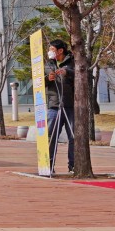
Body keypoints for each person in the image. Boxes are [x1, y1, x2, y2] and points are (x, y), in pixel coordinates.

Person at [45, 39, 75, 173]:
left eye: (52, 49)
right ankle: (49, 166)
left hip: (70, 106)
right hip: (54, 106)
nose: (49, 52)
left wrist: (67, 72)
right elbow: (38, 81)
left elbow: (82, 75)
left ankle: (73, 166)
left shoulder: (73, 61)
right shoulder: (48, 64)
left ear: (60, 51)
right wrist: (47, 78)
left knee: (74, 136)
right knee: (51, 137)